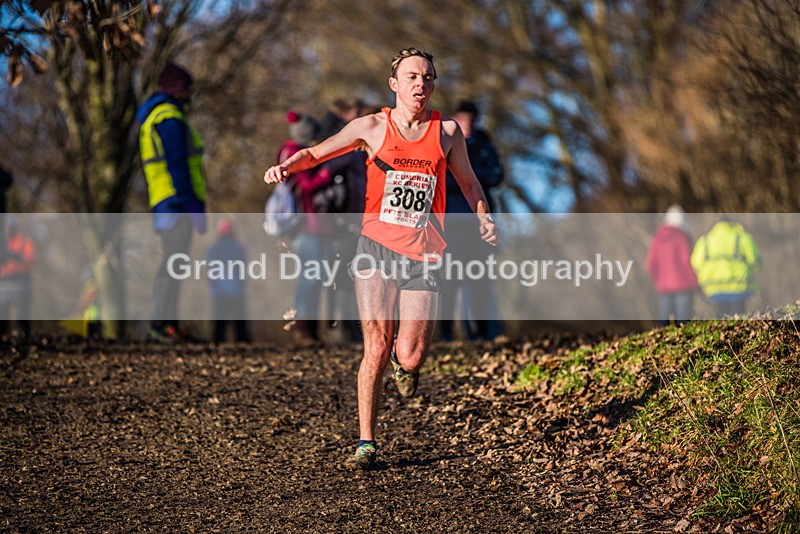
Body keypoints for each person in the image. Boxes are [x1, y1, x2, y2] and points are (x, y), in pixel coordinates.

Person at [264, 47, 501, 470]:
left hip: (425, 252)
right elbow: (316, 153)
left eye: (428, 77)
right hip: (375, 247)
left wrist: (484, 218)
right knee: (374, 345)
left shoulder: (447, 132)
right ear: (394, 84)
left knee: (410, 355)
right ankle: (366, 442)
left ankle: (403, 364)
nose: (420, 84)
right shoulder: (371, 127)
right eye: (412, 77)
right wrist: (286, 168)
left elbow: (469, 182)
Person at [137, 62, 207, 343]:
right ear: (179, 89)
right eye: (188, 88)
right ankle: (162, 324)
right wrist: (192, 205)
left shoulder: (158, 115)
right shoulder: (169, 117)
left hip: (165, 200)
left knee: (174, 263)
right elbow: (177, 164)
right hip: (176, 202)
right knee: (173, 263)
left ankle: (169, 324)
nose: (190, 94)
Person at [440, 100, 505, 341]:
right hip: (451, 224)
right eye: (463, 118)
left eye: (472, 118)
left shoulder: (484, 144)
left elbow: (497, 175)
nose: (468, 122)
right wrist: (470, 180)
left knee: (480, 279)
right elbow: (442, 179)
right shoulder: (445, 142)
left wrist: (469, 178)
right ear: (455, 119)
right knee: (449, 279)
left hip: (480, 224)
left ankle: (483, 333)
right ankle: (446, 333)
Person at [277, 110, 332, 345]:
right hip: (306, 225)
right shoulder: (293, 152)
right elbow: (307, 185)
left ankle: (310, 330)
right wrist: (327, 173)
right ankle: (302, 329)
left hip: (312, 225)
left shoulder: (289, 150)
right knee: (309, 278)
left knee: (315, 277)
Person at [691, 216, 762, 318]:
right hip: (739, 286)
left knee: (720, 318)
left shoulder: (705, 240)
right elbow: (755, 260)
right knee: (739, 318)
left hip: (713, 288)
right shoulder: (742, 237)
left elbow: (695, 263)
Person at [645, 205, 698, 326]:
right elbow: (687, 262)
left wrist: (659, 280)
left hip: (664, 287)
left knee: (663, 324)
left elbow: (650, 266)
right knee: (683, 324)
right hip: (683, 286)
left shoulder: (657, 238)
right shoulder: (682, 237)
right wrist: (694, 281)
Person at [206, 219, 251, 344]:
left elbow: (210, 269)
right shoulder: (239, 248)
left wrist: (212, 284)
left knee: (219, 321)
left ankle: (217, 341)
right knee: (239, 321)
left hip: (219, 291)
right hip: (236, 290)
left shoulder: (213, 248)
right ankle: (243, 342)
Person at [0, 218, 35, 336]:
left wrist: (16, 256)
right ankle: (4, 338)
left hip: (21, 282)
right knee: (3, 314)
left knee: (22, 316)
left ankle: (26, 337)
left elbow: (30, 260)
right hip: (4, 283)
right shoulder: (3, 243)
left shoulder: (24, 242)